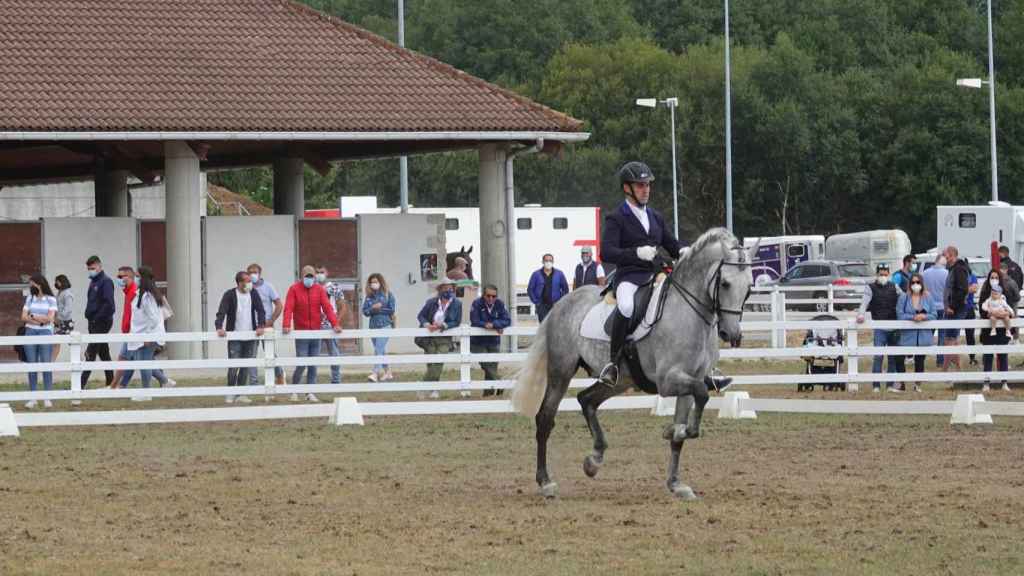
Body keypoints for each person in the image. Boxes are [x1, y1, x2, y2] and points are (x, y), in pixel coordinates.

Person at [597, 161, 696, 388]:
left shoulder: (655, 217)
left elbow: (671, 243)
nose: (646, 189)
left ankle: (698, 363)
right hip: (629, 277)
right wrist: (636, 253)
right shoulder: (617, 217)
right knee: (626, 307)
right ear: (627, 188)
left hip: (657, 276)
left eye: (648, 185)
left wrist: (684, 250)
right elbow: (607, 252)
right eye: (640, 185)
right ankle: (613, 364)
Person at [283, 265, 341, 402]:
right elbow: (288, 308)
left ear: (314, 277)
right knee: (302, 363)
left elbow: (327, 307)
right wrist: (286, 324)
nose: (309, 278)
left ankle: (310, 392)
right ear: (301, 277)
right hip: (301, 333)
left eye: (311, 276)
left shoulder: (319, 290)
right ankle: (294, 390)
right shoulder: (294, 289)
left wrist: (335, 324)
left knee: (313, 364)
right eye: (306, 276)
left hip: (316, 332)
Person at [113, 267, 173, 389]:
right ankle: (165, 382)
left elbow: (154, 319)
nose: (136, 279)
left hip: (147, 336)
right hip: (139, 335)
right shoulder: (140, 294)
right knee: (142, 363)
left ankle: (146, 392)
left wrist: (148, 336)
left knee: (144, 364)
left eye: (137, 276)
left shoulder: (147, 296)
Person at [215, 270, 266, 404]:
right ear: (239, 283)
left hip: (250, 335)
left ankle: (241, 393)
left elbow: (260, 310)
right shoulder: (229, 294)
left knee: (246, 365)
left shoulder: (253, 293)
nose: (250, 283)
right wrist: (219, 327)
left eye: (250, 281)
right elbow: (222, 311)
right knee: (233, 366)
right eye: (247, 281)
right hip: (235, 335)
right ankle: (230, 392)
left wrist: (261, 325)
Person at [856, 264, 902, 392]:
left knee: (893, 357)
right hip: (879, 327)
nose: (883, 276)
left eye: (885, 274)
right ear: (877, 274)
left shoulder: (895, 287)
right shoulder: (870, 288)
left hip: (894, 326)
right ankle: (876, 385)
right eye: (881, 274)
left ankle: (890, 385)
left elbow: (904, 299)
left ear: (889, 274)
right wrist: (860, 315)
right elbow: (864, 302)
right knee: (878, 356)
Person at [416, 279, 462, 392]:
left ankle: (422, 386)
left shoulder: (457, 303)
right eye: (445, 288)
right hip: (429, 337)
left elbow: (456, 321)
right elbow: (421, 316)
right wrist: (427, 324)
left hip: (444, 338)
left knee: (438, 362)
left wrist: (444, 325)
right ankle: (434, 390)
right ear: (440, 290)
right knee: (431, 363)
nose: (448, 291)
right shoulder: (431, 302)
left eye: (450, 289)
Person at [21, 274, 58, 409]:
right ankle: (33, 397)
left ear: (39, 284)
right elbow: (23, 317)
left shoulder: (51, 299)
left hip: (45, 332)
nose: (31, 286)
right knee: (32, 365)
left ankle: (48, 397)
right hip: (30, 332)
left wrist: (34, 316)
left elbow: (50, 318)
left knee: (46, 364)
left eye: (32, 284)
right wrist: (38, 319)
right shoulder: (30, 298)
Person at [897, 273, 937, 392]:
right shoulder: (904, 297)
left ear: (922, 284)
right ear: (909, 284)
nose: (915, 285)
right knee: (899, 358)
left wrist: (924, 316)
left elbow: (934, 314)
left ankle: (917, 385)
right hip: (907, 335)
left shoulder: (928, 297)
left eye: (918, 282)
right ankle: (901, 383)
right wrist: (912, 317)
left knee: (920, 360)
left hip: (923, 335)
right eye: (913, 282)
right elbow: (899, 314)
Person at [247, 263, 285, 387]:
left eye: (255, 272)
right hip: (251, 326)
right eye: (250, 272)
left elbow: (279, 305)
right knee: (251, 354)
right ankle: (253, 383)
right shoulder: (246, 287)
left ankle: (279, 375)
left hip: (267, 325)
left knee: (270, 353)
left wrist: (271, 321)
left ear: (260, 273)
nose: (252, 275)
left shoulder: (268, 287)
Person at [80, 255, 115, 389]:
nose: (90, 270)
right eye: (89, 268)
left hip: (101, 322)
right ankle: (111, 382)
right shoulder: (93, 281)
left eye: (93, 268)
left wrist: (96, 318)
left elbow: (109, 305)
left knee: (90, 352)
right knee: (104, 353)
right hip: (93, 322)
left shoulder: (105, 282)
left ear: (100, 266)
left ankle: (80, 384)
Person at [470, 284, 511, 396]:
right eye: (488, 296)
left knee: (492, 366)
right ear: (483, 295)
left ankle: (488, 393)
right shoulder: (476, 303)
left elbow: (507, 320)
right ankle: (500, 382)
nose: (491, 298)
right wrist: (485, 324)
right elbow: (474, 320)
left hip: (493, 340)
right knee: (486, 364)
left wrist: (494, 324)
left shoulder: (500, 304)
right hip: (478, 342)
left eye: (494, 296)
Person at [978, 269, 1013, 392]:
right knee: (988, 356)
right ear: (988, 279)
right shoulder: (984, 293)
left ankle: (1004, 382)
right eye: (992, 277)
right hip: (989, 330)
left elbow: (1010, 309)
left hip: (1002, 330)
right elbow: (982, 310)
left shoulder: (1005, 293)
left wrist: (1003, 313)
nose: (994, 279)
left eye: (996, 277)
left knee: (1003, 355)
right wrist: (991, 313)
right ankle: (986, 383)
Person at [361, 273, 396, 382]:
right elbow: (365, 311)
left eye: (375, 282)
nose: (373, 284)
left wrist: (378, 310)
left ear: (380, 282)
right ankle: (388, 372)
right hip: (373, 326)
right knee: (381, 350)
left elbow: (391, 309)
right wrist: (373, 308)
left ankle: (375, 373)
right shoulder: (369, 297)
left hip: (385, 325)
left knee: (378, 349)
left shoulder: (388, 295)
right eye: (372, 282)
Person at [942, 246, 971, 372]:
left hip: (956, 308)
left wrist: (952, 306)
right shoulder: (953, 268)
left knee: (951, 340)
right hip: (953, 308)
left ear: (952, 255)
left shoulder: (958, 269)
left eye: (945, 255)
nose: (944, 258)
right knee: (950, 339)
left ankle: (945, 368)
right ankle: (957, 367)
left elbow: (962, 289)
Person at [317, 265, 345, 385]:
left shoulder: (334, 287)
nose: (319, 274)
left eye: (322, 272)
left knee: (334, 353)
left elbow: (343, 306)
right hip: (315, 326)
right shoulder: (312, 287)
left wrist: (336, 321)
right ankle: (312, 381)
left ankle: (336, 380)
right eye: (317, 272)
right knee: (313, 355)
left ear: (327, 273)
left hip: (330, 326)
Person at [921, 252, 948, 366]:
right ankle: (940, 361)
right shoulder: (947, 273)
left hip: (928, 307)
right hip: (942, 307)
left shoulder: (924, 273)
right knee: (942, 335)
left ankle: (921, 358)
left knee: (927, 334)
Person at [527, 254, 569, 323]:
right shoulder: (536, 274)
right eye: (546, 260)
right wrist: (536, 302)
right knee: (544, 326)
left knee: (555, 325)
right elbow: (530, 289)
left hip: (555, 306)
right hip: (542, 306)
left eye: (550, 260)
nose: (548, 262)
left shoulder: (559, 274)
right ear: (543, 262)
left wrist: (560, 301)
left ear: (553, 262)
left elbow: (565, 289)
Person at [51, 274, 74, 362]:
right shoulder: (60, 292)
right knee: (56, 342)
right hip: (58, 322)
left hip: (66, 321)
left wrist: (59, 318)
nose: (56, 284)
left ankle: (79, 359)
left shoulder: (67, 293)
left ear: (62, 282)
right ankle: (52, 362)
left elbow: (68, 309)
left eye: (57, 282)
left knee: (72, 342)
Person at [965, 271, 979, 366]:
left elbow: (974, 289)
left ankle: (972, 358)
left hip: (969, 308)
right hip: (957, 309)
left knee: (970, 335)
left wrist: (961, 289)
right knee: (953, 336)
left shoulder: (972, 276)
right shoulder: (954, 274)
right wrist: (967, 289)